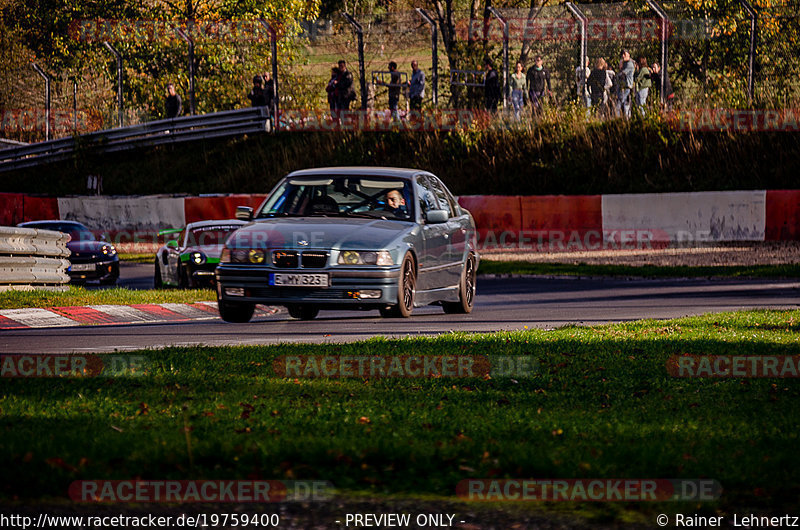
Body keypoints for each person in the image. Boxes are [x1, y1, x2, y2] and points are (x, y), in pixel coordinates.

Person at [617, 50, 635, 118]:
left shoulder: (629, 64)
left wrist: (620, 70)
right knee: (623, 104)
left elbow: (622, 74)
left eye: (625, 54)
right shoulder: (625, 63)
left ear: (628, 55)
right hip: (623, 87)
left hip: (626, 87)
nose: (623, 56)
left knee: (623, 104)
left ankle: (624, 118)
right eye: (622, 54)